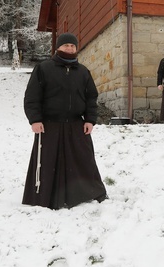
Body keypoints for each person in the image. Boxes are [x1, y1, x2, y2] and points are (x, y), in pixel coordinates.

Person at [22, 33, 107, 209]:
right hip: (49, 125)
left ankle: (85, 193)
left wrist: (90, 120)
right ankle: (46, 195)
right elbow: (32, 96)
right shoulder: (44, 68)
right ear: (58, 48)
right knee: (47, 162)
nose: (69, 48)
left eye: (73, 46)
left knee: (83, 160)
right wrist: (35, 120)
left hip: (76, 124)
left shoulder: (83, 71)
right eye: (66, 45)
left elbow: (91, 98)